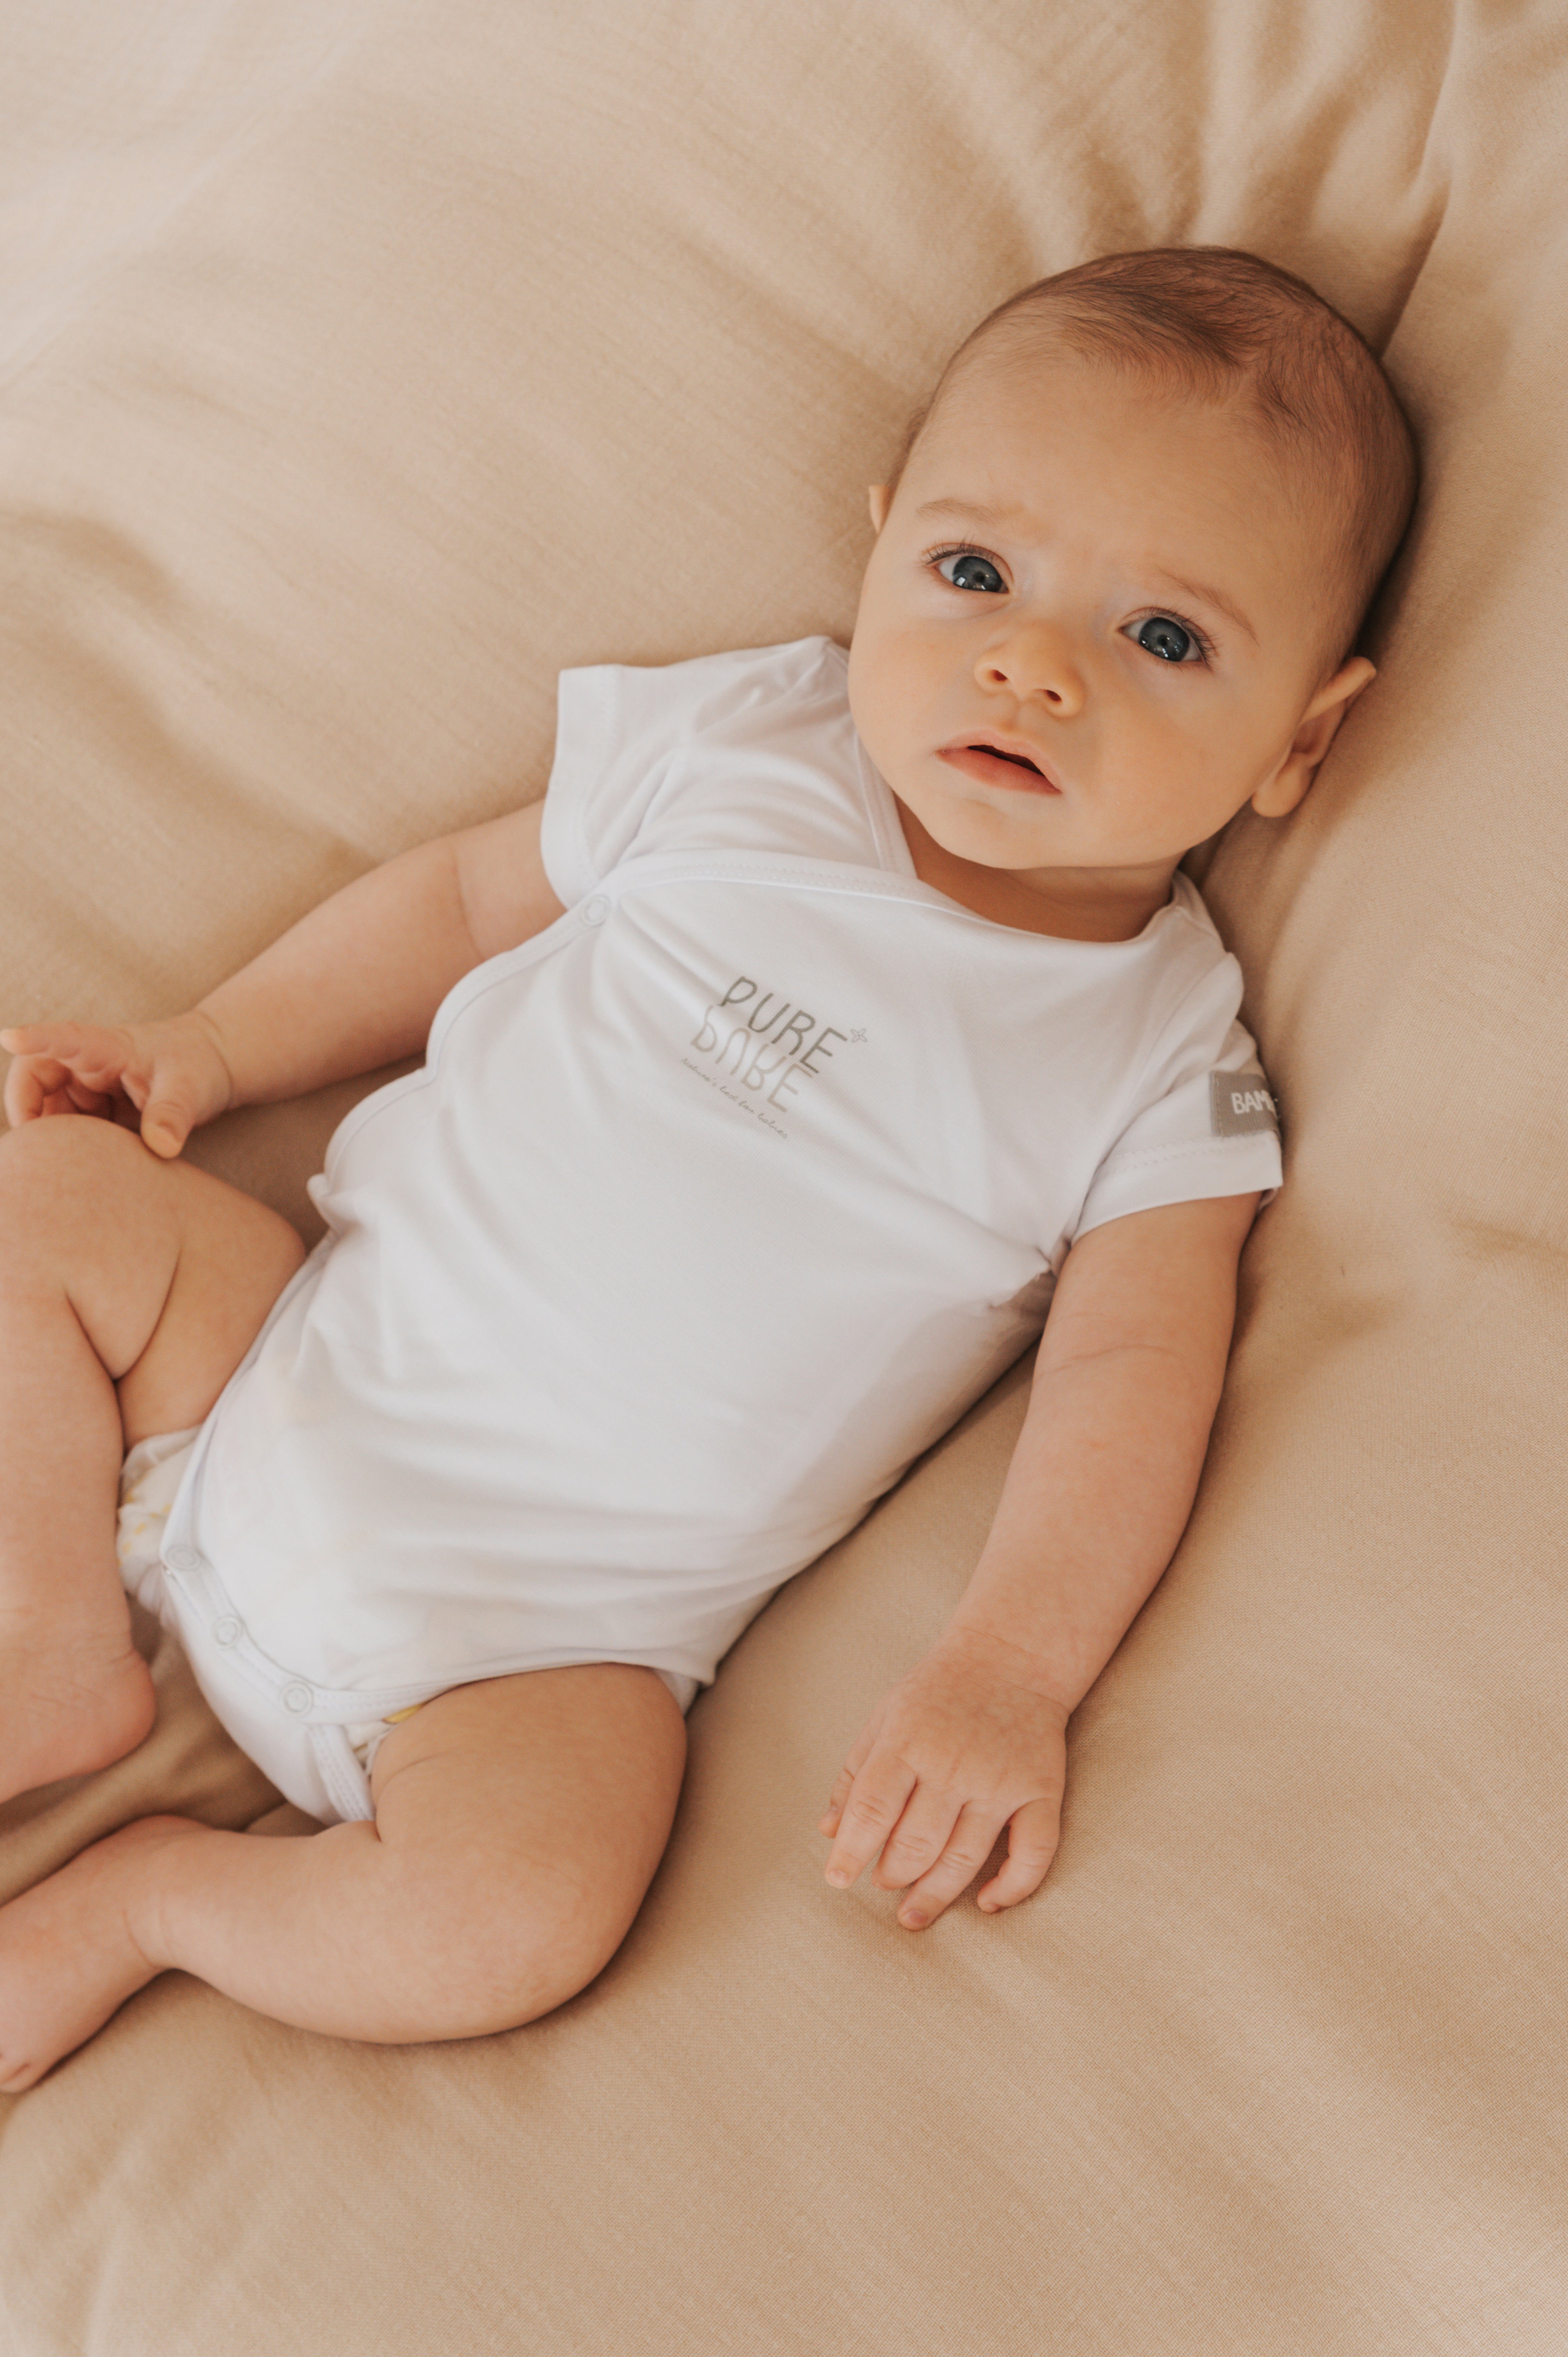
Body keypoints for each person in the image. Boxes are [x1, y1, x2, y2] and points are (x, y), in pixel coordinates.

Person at [0, 246, 1415, 2089]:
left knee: (516, 1914)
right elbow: (460, 903)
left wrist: (1008, 1673)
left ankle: (146, 1906)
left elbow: (1135, 1378)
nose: (1029, 665)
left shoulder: (1161, 1062)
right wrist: (214, 1042)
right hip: (269, 1368)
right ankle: (48, 1629)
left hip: (530, 1653)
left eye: (1163, 639)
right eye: (973, 575)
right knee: (50, 1194)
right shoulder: (748, 746)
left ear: (1299, 738)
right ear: (880, 549)